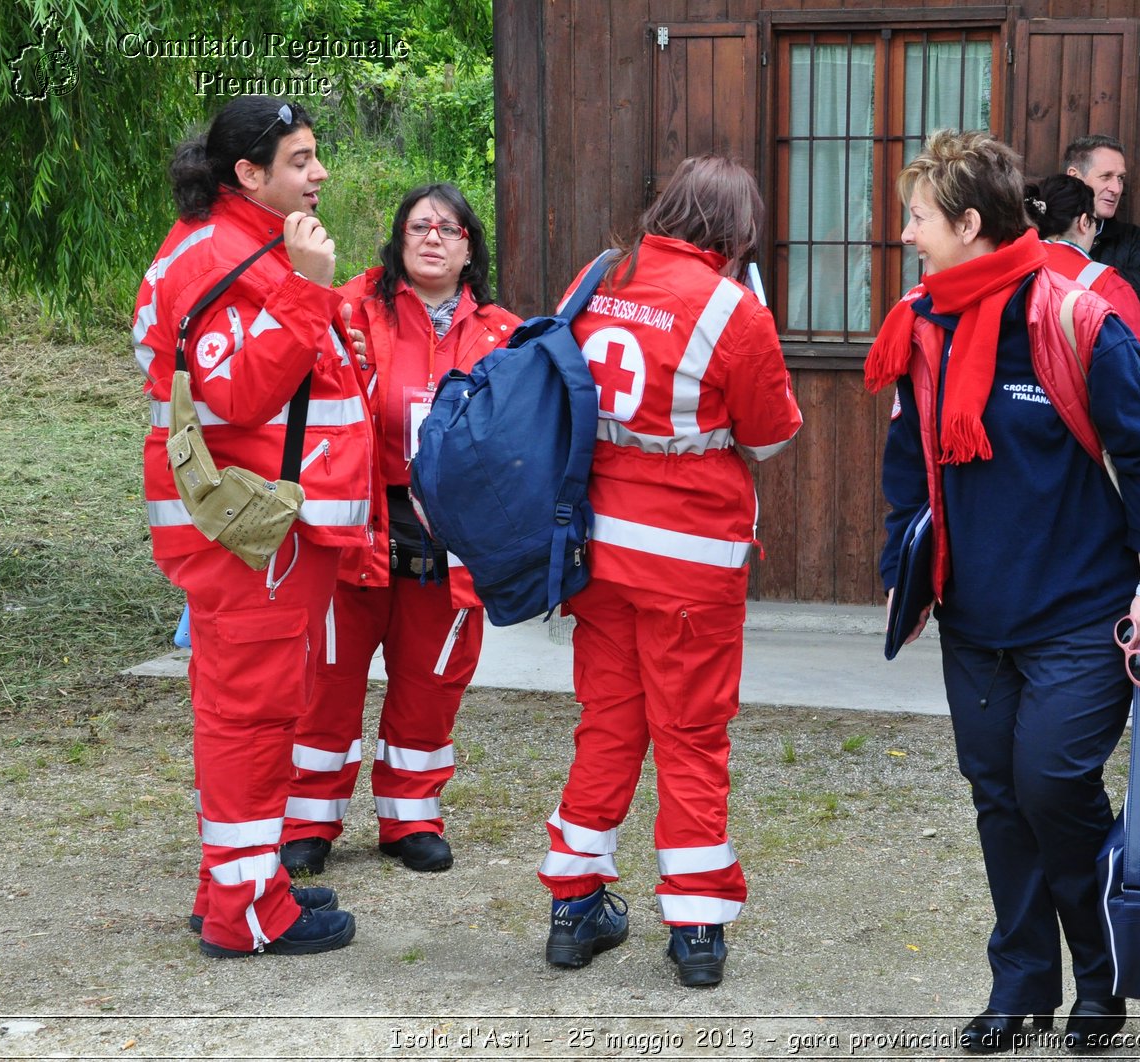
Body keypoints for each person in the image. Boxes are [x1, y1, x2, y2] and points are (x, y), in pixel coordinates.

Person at [868, 129, 1140, 1055]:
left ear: (970, 223)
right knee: (998, 797)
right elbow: (906, 459)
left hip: (1083, 615)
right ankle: (1019, 985)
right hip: (975, 617)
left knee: (1051, 783)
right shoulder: (923, 321)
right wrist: (908, 564)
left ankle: (1104, 974)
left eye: (919, 217)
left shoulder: (1077, 316)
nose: (908, 235)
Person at [535, 155, 802, 988]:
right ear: (736, 231)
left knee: (608, 723)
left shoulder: (599, 275)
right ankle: (694, 928)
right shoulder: (734, 309)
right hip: (691, 564)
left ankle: (574, 908)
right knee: (690, 737)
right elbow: (769, 437)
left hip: (597, 553)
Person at [133, 95, 370, 957]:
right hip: (248, 535)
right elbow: (238, 394)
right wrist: (308, 291)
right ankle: (248, 916)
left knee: (248, 711)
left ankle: (236, 880)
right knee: (252, 718)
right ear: (249, 174)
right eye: (301, 160)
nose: (320, 173)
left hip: (265, 531)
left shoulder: (242, 241)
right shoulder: (218, 255)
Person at [279, 184, 522, 877]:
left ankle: (410, 814)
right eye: (419, 225)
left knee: (431, 680)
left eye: (449, 229)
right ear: (398, 238)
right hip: (357, 528)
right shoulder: (352, 308)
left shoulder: (502, 333)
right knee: (326, 679)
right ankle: (308, 820)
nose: (433, 237)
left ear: (470, 247)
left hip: (450, 539)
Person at [1026, 173, 1140, 357]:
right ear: (1084, 223)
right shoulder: (1109, 285)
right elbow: (1134, 365)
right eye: (1095, 222)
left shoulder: (1008, 268)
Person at [1063, 134, 1140, 319]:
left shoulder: (1135, 240)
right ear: (1075, 177)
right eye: (1106, 177)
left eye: (1120, 178)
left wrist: (1072, 283)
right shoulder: (1040, 230)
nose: (1117, 189)